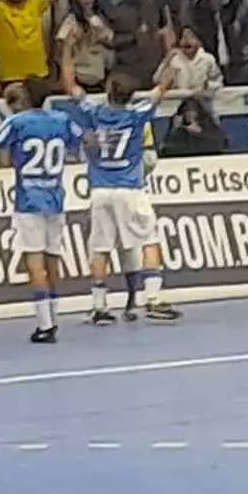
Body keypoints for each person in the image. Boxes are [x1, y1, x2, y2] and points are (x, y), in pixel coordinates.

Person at [71, 70, 180, 325]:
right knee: (149, 239)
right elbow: (161, 90)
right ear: (131, 95)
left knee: (100, 248)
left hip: (100, 190)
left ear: (108, 90)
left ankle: (99, 306)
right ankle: (152, 298)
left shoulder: (94, 112)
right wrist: (169, 71)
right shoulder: (136, 114)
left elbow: (70, 85)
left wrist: (66, 50)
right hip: (129, 188)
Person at [0, 76, 84, 343]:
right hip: (55, 198)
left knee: (34, 262)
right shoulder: (62, 119)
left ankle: (44, 325)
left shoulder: (17, 122)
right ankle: (54, 318)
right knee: (52, 261)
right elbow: (83, 142)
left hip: (29, 200)